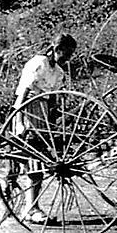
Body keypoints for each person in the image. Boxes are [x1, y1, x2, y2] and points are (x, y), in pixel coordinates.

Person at [11, 32, 77, 222]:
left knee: (40, 159)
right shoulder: (38, 63)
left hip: (43, 114)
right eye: (67, 53)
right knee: (34, 160)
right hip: (29, 109)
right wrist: (19, 119)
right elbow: (24, 91)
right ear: (57, 49)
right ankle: (32, 208)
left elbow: (54, 98)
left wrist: (55, 121)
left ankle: (32, 207)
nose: (68, 58)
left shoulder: (59, 71)